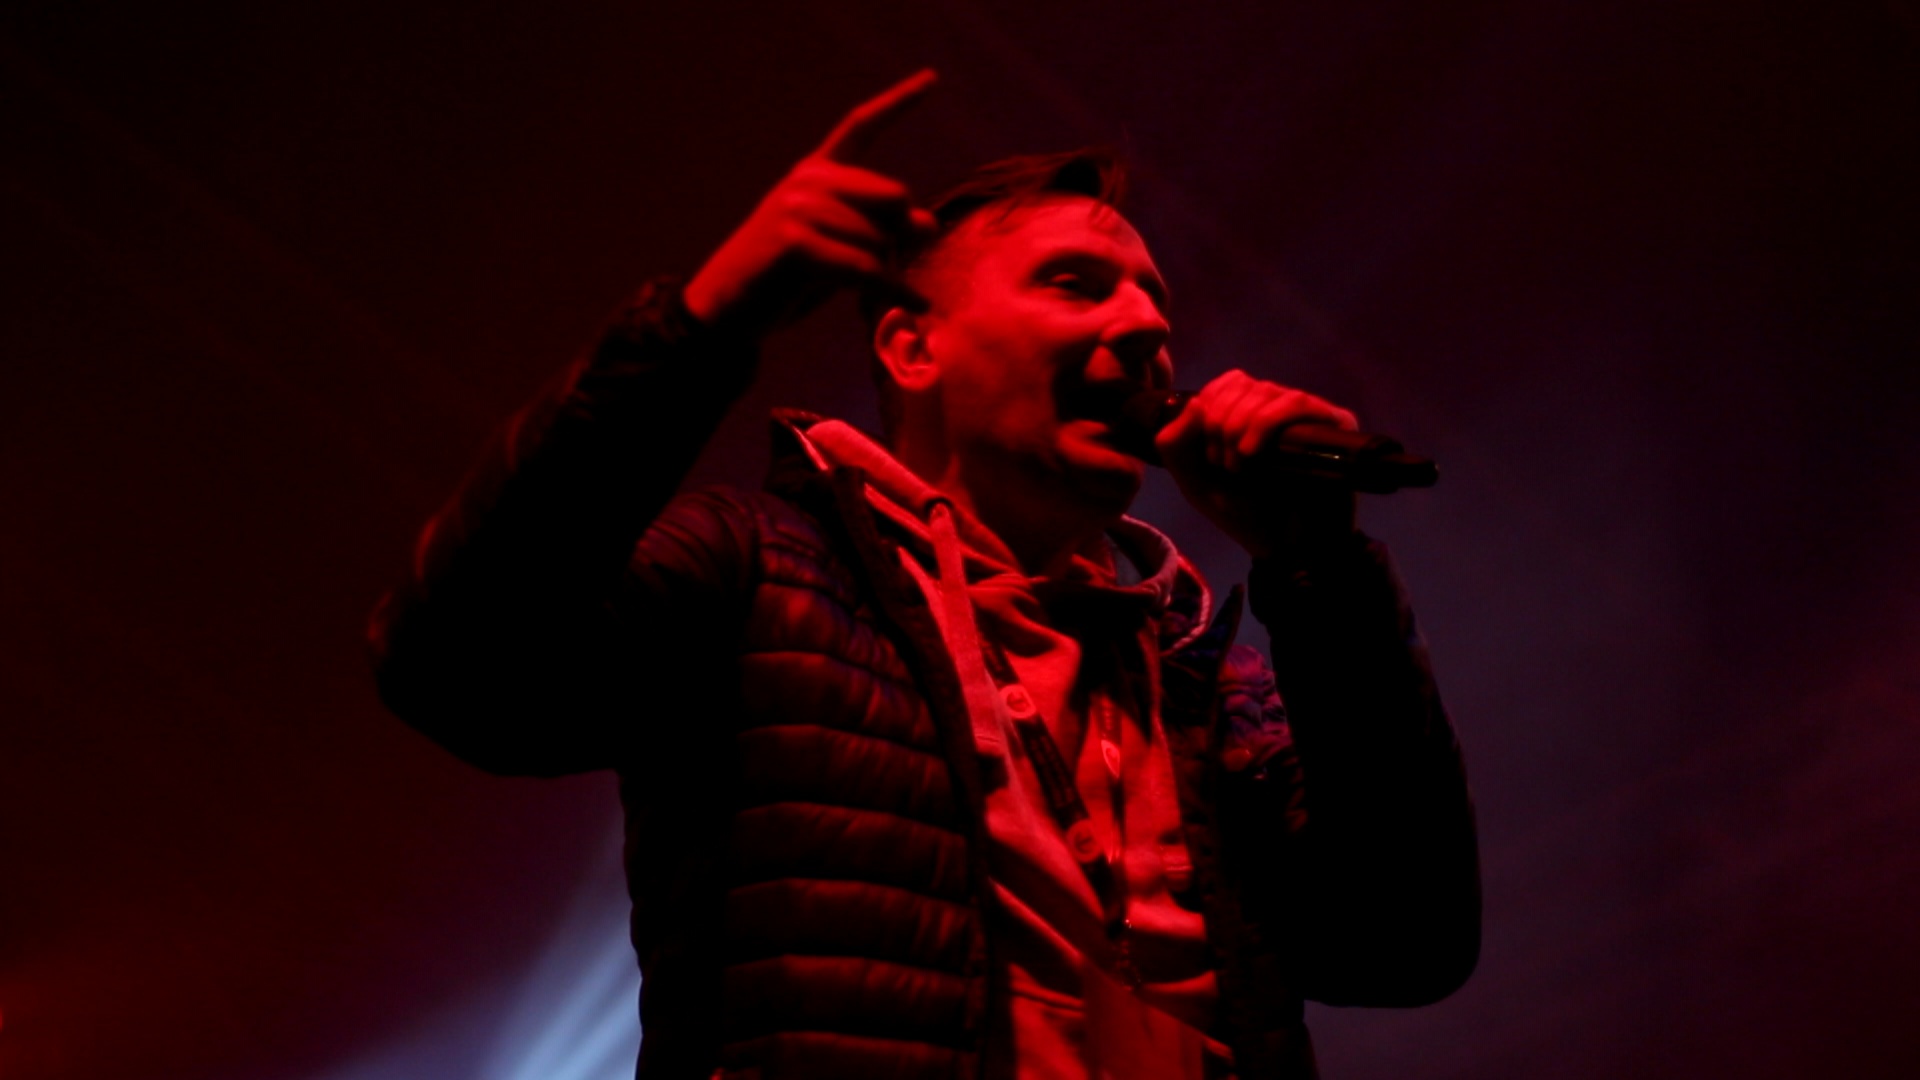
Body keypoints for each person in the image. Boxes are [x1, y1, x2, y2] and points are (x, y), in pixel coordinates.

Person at [369, 70, 1479, 1080]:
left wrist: (1323, 571)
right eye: (1076, 284)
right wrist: (704, 325)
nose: (1147, 324)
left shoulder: (1198, 673)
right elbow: (462, 669)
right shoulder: (762, 573)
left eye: (1155, 302)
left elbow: (1405, 941)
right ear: (912, 348)